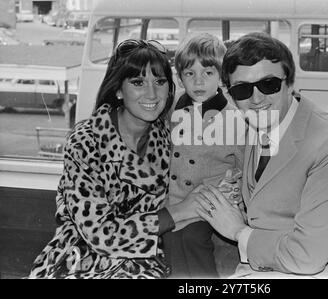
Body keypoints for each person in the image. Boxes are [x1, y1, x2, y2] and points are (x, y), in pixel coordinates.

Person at [196, 33, 328, 278]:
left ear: (289, 84)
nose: (256, 99)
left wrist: (237, 231)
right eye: (243, 89)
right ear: (231, 96)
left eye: (269, 84)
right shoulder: (255, 128)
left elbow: (307, 258)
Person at [29, 39, 201, 279]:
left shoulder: (169, 140)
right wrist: (179, 212)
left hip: (143, 261)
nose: (152, 93)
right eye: (138, 82)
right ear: (118, 90)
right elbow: (100, 235)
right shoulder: (86, 142)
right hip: (81, 260)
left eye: (160, 81)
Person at [163, 33, 244, 278]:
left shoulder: (233, 117)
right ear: (180, 77)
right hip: (174, 199)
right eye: (190, 74)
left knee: (193, 239)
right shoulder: (173, 106)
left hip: (211, 200)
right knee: (170, 238)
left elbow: (244, 163)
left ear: (222, 76)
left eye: (208, 73)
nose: (199, 81)